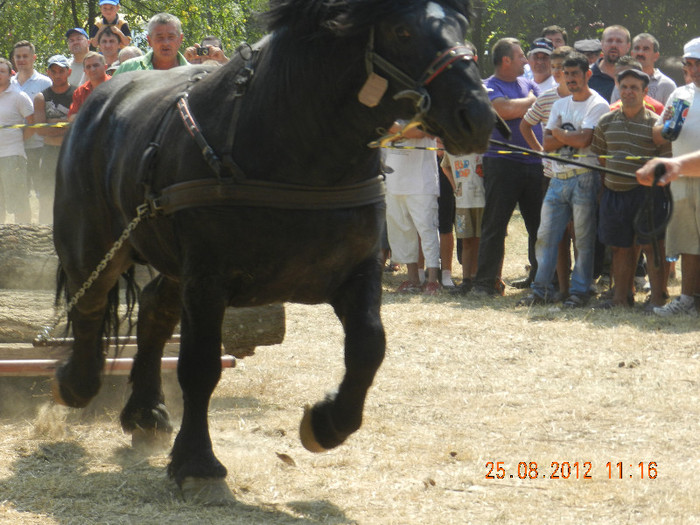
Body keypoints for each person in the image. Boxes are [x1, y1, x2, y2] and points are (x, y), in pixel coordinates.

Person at [518, 53, 609, 307]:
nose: (569, 78)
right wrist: (567, 135)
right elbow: (547, 144)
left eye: (575, 74)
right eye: (566, 74)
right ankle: (541, 290)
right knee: (546, 235)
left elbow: (584, 141)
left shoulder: (597, 104)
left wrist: (558, 133)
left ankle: (580, 291)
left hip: (584, 176)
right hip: (557, 177)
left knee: (583, 238)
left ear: (587, 74)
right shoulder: (559, 104)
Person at [590, 68, 672, 309]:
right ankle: (621, 298)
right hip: (614, 193)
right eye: (624, 87)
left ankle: (658, 299)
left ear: (645, 92)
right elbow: (602, 158)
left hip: (648, 195)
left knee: (652, 246)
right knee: (619, 247)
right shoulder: (605, 122)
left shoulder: (656, 125)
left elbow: (666, 161)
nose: (628, 92)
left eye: (634, 88)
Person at [471, 38, 543, 296]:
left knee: (539, 225)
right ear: (506, 60)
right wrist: (531, 102)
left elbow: (541, 107)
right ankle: (485, 283)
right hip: (501, 163)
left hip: (535, 163)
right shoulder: (487, 86)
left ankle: (541, 278)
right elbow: (502, 110)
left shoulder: (529, 83)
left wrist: (530, 102)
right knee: (495, 224)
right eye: (521, 56)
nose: (526, 61)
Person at [647, 37, 700, 317]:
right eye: (688, 63)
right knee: (689, 242)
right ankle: (687, 300)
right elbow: (657, 136)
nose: (692, 69)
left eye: (697, 63)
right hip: (681, 179)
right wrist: (667, 125)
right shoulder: (679, 94)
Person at [519, 45, 574, 294]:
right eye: (555, 67)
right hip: (551, 176)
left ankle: (580, 285)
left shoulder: (587, 97)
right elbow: (525, 125)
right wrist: (540, 150)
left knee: (580, 235)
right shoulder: (546, 97)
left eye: (562, 67)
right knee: (556, 235)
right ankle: (557, 285)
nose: (558, 72)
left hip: (582, 175)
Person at [383, 121, 441, 295]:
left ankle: (432, 281)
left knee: (427, 229)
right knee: (401, 231)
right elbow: (383, 124)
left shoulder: (425, 105)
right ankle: (412, 280)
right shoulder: (389, 107)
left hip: (421, 182)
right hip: (394, 182)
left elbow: (422, 132)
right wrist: (404, 131)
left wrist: (399, 130)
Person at [32, 55, 75, 224]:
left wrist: (52, 124)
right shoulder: (41, 97)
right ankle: (43, 230)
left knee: (73, 193)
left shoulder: (77, 94)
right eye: (54, 71)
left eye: (61, 71)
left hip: (71, 152)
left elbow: (78, 127)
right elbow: (41, 130)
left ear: (68, 72)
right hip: (49, 153)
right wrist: (66, 124)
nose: (58, 75)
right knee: (47, 196)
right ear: (48, 73)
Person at [10, 40, 51, 203]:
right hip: (14, 149)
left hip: (39, 146)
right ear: (13, 59)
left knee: (43, 192)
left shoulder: (45, 82)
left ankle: (47, 227)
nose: (21, 60)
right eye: (18, 57)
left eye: (25, 56)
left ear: (33, 58)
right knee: (20, 194)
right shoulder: (7, 83)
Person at [441, 149, 484, 295]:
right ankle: (466, 280)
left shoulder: (481, 144)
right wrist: (455, 186)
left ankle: (477, 278)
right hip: (462, 203)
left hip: (482, 200)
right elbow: (444, 165)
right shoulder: (452, 146)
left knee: (479, 240)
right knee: (466, 241)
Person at [0, 57, 34, 223]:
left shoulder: (19, 96)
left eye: (1, 71)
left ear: (9, 75)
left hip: (13, 155)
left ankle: (25, 237)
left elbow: (32, 123)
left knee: (19, 202)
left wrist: (19, 141)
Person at [114, 13, 188, 73]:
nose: (165, 43)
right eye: (160, 38)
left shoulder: (193, 74)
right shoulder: (128, 68)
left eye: (171, 37)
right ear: (149, 40)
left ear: (180, 39)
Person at [614, 33, 676, 105]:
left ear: (656, 56)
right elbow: (613, 110)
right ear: (631, 53)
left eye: (646, 49)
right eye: (637, 48)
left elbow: (672, 114)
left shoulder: (666, 85)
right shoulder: (621, 82)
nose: (640, 53)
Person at [589, 25, 631, 102]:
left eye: (619, 41)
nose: (613, 45)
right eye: (609, 40)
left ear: (628, 46)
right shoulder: (587, 76)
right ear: (601, 44)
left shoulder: (635, 77)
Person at [68, 52, 110, 119]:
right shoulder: (80, 92)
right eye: (88, 67)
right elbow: (71, 116)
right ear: (84, 70)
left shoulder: (116, 86)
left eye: (96, 65)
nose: (92, 69)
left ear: (105, 67)